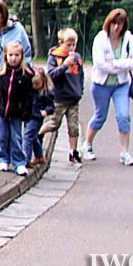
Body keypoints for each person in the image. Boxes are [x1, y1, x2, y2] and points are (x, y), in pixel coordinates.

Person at [83, 8, 133, 166]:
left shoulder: (128, 38)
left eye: (120, 24)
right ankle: (87, 144)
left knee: (123, 116)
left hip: (121, 84)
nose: (116, 27)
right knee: (100, 116)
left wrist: (115, 63)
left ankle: (125, 152)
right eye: (114, 23)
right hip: (101, 84)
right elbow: (100, 63)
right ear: (109, 23)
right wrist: (122, 65)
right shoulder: (100, 39)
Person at [0, 0, 32, 160]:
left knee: (10, 112)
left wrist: (24, 72)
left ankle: (11, 149)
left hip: (10, 77)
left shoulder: (18, 30)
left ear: (4, 14)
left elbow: (27, 53)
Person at [0, 41, 35, 175]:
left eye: (17, 55)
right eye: (11, 55)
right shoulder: (1, 74)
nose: (13, 58)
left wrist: (27, 114)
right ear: (6, 56)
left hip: (16, 112)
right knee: (2, 136)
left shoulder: (25, 75)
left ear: (21, 56)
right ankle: (4, 159)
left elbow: (29, 96)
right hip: (1, 110)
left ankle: (19, 162)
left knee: (16, 138)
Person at [38, 28, 85, 164]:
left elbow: (80, 75)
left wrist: (80, 90)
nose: (71, 48)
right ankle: (38, 134)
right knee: (54, 124)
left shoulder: (77, 58)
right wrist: (65, 65)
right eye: (68, 45)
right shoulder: (55, 57)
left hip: (73, 97)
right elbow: (51, 74)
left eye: (74, 45)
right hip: (59, 98)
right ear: (61, 43)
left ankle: (73, 151)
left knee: (73, 126)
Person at [24, 66, 54, 167]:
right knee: (33, 136)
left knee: (28, 137)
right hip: (28, 115)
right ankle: (39, 155)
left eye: (37, 84)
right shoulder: (31, 91)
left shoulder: (46, 93)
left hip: (37, 117)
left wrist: (46, 111)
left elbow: (51, 106)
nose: (35, 87)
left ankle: (26, 159)